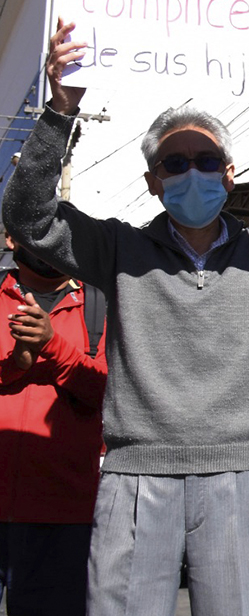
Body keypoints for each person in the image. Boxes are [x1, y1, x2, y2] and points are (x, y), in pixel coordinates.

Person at [1, 20, 249, 615]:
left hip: (239, 481)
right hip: (135, 483)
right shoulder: (118, 248)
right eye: (175, 163)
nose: (192, 170)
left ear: (228, 173)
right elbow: (28, 219)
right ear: (153, 181)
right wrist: (59, 111)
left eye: (206, 159)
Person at [0, 235, 107, 615]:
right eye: (39, 233)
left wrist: (52, 345)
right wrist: (17, 364)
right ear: (12, 238)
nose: (51, 245)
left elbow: (112, 394)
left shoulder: (100, 306)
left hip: (63, 516)